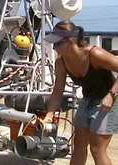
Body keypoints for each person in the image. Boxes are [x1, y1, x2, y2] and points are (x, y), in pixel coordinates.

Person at [43, 20, 118, 165]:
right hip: (88, 100)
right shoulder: (61, 62)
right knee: (78, 146)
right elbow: (57, 91)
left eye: (57, 43)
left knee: (97, 149)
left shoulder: (94, 54)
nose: (54, 47)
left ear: (70, 42)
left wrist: (111, 95)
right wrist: (49, 115)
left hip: (109, 100)